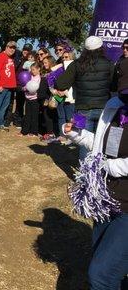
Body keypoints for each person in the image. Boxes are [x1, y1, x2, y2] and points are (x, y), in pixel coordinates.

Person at [63, 57, 128, 289]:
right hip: (105, 201)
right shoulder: (113, 106)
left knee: (101, 275)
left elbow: (107, 161)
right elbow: (99, 145)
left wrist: (107, 166)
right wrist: (75, 134)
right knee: (108, 266)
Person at [56, 36, 115, 160]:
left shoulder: (76, 64)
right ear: (101, 48)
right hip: (104, 109)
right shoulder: (109, 63)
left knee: (82, 141)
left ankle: (84, 175)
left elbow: (60, 84)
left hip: (81, 108)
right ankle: (100, 172)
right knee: (102, 141)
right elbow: (114, 85)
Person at [20, 63, 41, 137]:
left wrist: (29, 89)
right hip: (28, 99)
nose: (32, 71)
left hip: (35, 100)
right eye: (31, 70)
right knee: (27, 115)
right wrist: (23, 88)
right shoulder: (30, 76)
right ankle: (24, 131)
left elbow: (35, 88)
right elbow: (25, 84)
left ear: (38, 69)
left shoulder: (39, 78)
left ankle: (34, 131)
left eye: (34, 70)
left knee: (34, 116)